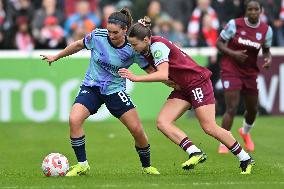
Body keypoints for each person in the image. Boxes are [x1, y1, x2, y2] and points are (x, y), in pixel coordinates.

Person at [118, 16, 255, 174]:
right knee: (163, 122)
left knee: (209, 127)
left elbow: (162, 74)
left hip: (197, 83)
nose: (133, 48)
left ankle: (245, 158)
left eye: (135, 44)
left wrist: (135, 78)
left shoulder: (157, 47)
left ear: (147, 39)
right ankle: (194, 152)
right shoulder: (147, 46)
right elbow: (162, 74)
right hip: (183, 88)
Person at [40, 8, 160, 176]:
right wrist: (56, 56)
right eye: (109, 31)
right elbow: (77, 45)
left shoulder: (132, 48)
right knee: (74, 119)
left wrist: (172, 82)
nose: (110, 35)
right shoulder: (97, 36)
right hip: (92, 86)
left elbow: (152, 71)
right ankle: (82, 164)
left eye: (115, 32)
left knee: (137, 131)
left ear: (125, 30)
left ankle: (147, 166)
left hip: (115, 90)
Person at [216, 0, 272, 154]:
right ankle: (224, 141)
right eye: (250, 9)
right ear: (246, 11)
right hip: (231, 69)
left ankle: (245, 132)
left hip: (249, 72)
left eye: (256, 9)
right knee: (231, 107)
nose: (253, 12)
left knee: (253, 109)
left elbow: (266, 50)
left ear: (261, 11)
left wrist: (268, 59)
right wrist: (233, 53)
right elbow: (219, 43)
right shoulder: (235, 24)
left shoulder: (266, 30)